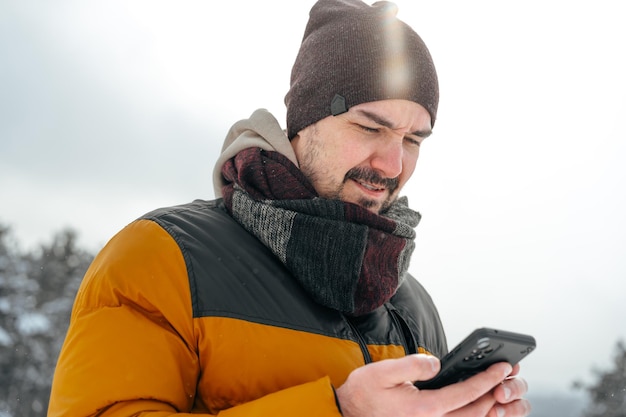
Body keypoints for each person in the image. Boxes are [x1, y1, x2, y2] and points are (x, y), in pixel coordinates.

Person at [48, 1, 531, 416]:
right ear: (304, 124)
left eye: (413, 139)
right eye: (369, 127)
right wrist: (338, 410)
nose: (392, 162)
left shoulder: (411, 304)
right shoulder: (162, 257)